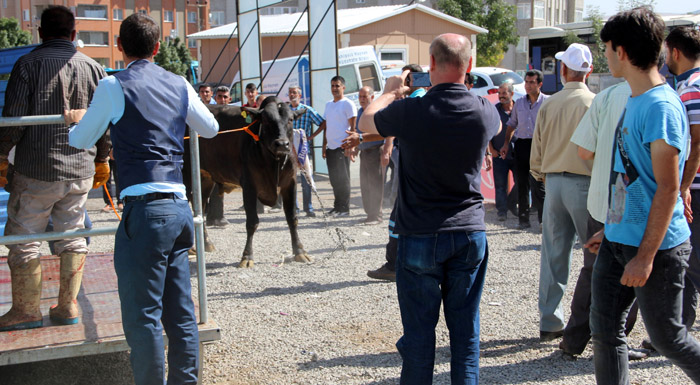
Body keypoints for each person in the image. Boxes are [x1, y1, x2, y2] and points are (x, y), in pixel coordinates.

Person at [65, 13, 219, 384]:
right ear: (158, 47)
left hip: (144, 211)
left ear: (119, 47)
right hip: (180, 208)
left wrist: (77, 116)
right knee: (180, 311)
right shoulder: (179, 82)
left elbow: (80, 140)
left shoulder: (113, 85)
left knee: (142, 316)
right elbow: (210, 129)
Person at [359, 33, 500, 384]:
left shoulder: (412, 111)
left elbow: (365, 123)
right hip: (468, 231)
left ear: (432, 65)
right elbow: (494, 137)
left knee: (420, 342)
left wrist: (391, 91)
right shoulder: (484, 110)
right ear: (468, 67)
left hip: (420, 232)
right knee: (466, 340)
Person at [587, 7, 700, 384]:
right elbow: (627, 175)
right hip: (619, 240)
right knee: (604, 333)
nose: (604, 56)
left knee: (669, 338)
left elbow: (668, 188)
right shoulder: (635, 98)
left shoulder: (661, 106)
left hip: (658, 249)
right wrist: (612, 226)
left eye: (605, 49)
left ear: (621, 51)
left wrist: (646, 256)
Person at [0, 6, 110, 331]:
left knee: (23, 237)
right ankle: (67, 306)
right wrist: (102, 159)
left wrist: (1, 156)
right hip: (81, 170)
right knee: (74, 234)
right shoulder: (94, 68)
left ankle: (26, 311)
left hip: (37, 169)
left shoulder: (27, 64)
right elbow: (104, 122)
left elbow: (14, 122)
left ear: (40, 32)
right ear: (74, 34)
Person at [530, 43, 596, 342]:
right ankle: (590, 321)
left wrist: (543, 175)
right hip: (585, 183)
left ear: (563, 69)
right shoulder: (595, 103)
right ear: (589, 71)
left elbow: (537, 151)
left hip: (553, 182)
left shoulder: (550, 104)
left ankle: (550, 320)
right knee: (594, 255)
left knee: (553, 255)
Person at [364, 64, 425, 282]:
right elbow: (387, 129)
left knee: (400, 213)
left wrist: (389, 93)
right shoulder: (417, 101)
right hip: (408, 161)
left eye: (405, 77)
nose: (401, 80)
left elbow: (370, 122)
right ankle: (398, 262)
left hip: (411, 165)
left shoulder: (414, 101)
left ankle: (396, 264)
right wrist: (361, 139)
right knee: (398, 212)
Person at [665, 25, 700, 332]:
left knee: (687, 261)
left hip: (695, 187)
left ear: (675, 52)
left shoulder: (688, 89)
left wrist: (684, 186)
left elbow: (696, 142)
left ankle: (679, 329)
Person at [500, 70, 548, 229]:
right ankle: (523, 219)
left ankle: (543, 220)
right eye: (526, 82)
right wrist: (506, 144)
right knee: (522, 183)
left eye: (532, 82)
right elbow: (511, 125)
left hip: (540, 145)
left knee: (539, 183)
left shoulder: (547, 102)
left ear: (540, 84)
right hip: (522, 145)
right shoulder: (519, 103)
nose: (528, 85)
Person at [351, 86, 393, 224]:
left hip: (376, 150)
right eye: (360, 96)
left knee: (376, 184)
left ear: (372, 97)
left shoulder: (377, 112)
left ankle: (377, 216)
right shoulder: (360, 111)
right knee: (365, 184)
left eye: (365, 96)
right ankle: (370, 214)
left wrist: (386, 151)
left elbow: (386, 133)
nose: (362, 99)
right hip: (364, 152)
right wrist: (355, 148)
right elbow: (358, 132)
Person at [288, 85, 325, 217]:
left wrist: (312, 137)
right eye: (290, 93)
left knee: (306, 180)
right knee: (290, 181)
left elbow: (322, 122)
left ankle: (308, 208)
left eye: (294, 93)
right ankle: (294, 208)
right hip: (289, 151)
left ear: (300, 95)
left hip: (303, 150)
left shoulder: (307, 110)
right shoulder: (285, 110)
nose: (292, 95)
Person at [323, 76, 357, 217]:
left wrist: (351, 146)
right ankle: (337, 206)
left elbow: (353, 127)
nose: (334, 89)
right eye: (332, 86)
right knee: (334, 179)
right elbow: (327, 126)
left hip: (342, 147)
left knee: (343, 179)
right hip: (331, 147)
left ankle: (344, 208)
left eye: (337, 86)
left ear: (343, 87)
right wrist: (324, 145)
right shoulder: (329, 104)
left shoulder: (348, 104)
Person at [489, 82, 518, 221]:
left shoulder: (519, 108)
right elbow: (487, 131)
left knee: (522, 182)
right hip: (499, 154)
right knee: (500, 185)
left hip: (518, 153)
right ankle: (502, 211)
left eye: (504, 93)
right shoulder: (494, 110)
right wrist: (491, 150)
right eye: (499, 93)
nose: (501, 96)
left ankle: (512, 203)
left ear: (512, 94)